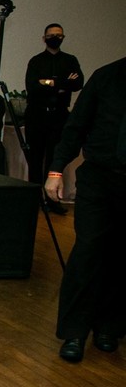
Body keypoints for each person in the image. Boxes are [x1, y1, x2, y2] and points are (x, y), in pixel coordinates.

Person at [43, 56, 125, 363]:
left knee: (120, 256)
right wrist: (56, 169)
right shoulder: (106, 77)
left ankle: (109, 327)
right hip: (100, 179)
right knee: (88, 251)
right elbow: (76, 126)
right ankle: (74, 332)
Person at [25, 23, 83, 213]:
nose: (55, 38)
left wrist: (48, 82)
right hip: (37, 114)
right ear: (44, 38)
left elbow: (78, 83)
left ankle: (52, 199)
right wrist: (61, 83)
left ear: (63, 37)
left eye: (59, 35)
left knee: (54, 157)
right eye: (51, 35)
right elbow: (32, 87)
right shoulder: (36, 61)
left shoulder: (70, 60)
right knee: (35, 158)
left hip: (59, 114)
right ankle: (34, 199)